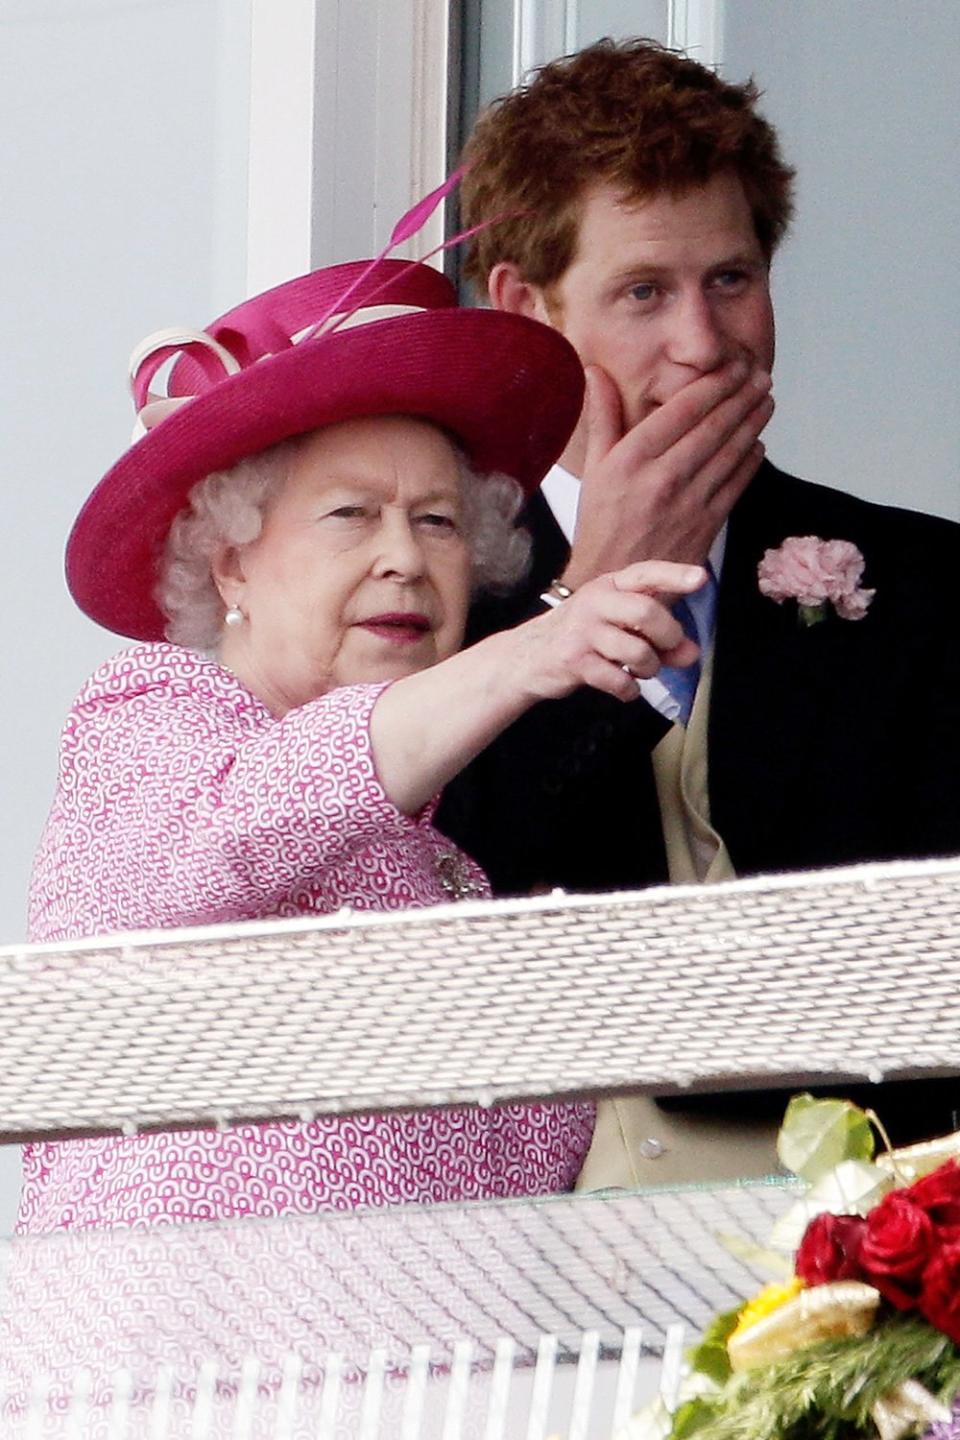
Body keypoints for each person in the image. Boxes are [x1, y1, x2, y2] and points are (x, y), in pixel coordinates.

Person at [20, 255, 706, 1232]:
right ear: (231, 564)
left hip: (416, 1381)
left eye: (437, 521)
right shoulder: (140, 727)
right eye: (352, 515)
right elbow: (240, 826)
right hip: (165, 1376)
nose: (405, 557)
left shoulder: (443, 861)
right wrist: (534, 649)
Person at [436, 38, 960, 1182]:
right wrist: (593, 596)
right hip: (507, 1265)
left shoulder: (931, 589)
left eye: (732, 279)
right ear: (526, 307)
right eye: (643, 293)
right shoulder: (424, 596)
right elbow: (448, 892)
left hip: (868, 1250)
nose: (706, 344)